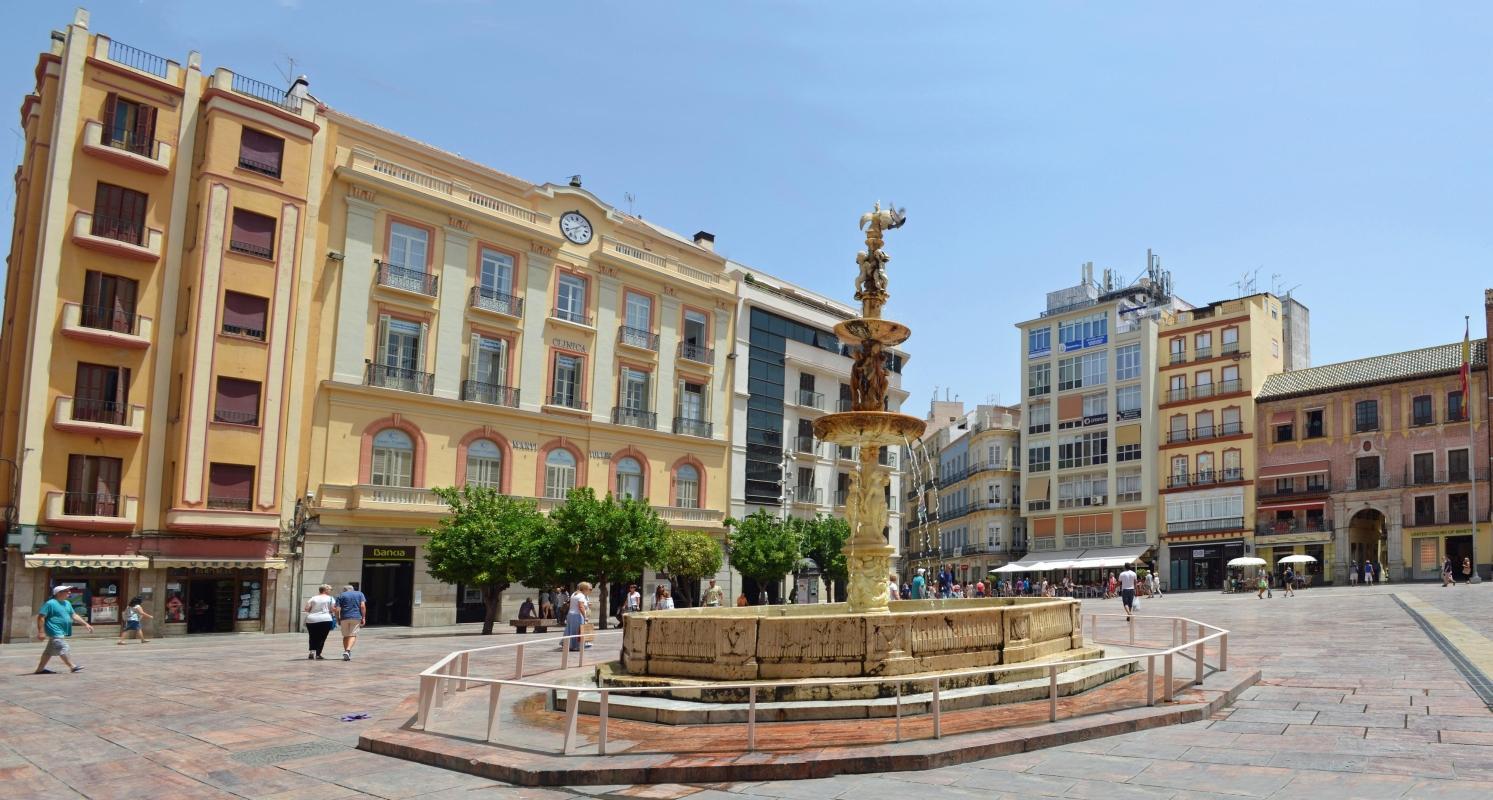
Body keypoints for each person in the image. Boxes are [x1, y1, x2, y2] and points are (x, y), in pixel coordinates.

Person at [35, 585, 92, 674]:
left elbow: (74, 615)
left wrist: (85, 624)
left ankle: (40, 669)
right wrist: (41, 632)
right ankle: (72, 666)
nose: (69, 592)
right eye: (66, 591)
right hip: (54, 630)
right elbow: (41, 617)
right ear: (58, 593)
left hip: (61, 630)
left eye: (69, 591)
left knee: (48, 652)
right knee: (63, 647)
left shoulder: (67, 603)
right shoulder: (50, 603)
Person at [333, 584, 366, 661]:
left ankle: (346, 652)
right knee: (353, 635)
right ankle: (348, 651)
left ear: (344, 590)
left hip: (344, 617)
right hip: (356, 617)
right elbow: (362, 606)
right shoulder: (360, 594)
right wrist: (363, 617)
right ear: (353, 589)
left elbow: (337, 609)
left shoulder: (341, 595)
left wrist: (338, 619)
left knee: (345, 636)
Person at [304, 584, 336, 660]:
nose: (330, 591)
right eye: (330, 590)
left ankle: (311, 652)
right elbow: (332, 609)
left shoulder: (313, 598)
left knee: (312, 636)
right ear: (325, 590)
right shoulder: (330, 598)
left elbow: (306, 609)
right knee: (322, 637)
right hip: (325, 619)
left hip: (311, 619)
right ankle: (318, 654)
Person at [564, 582, 592, 651]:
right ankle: (576, 646)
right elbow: (581, 606)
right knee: (577, 631)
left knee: (571, 630)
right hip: (577, 615)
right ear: (585, 589)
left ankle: (570, 645)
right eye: (589, 589)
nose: (590, 591)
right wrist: (585, 616)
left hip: (570, 614)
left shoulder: (574, 594)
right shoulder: (581, 595)